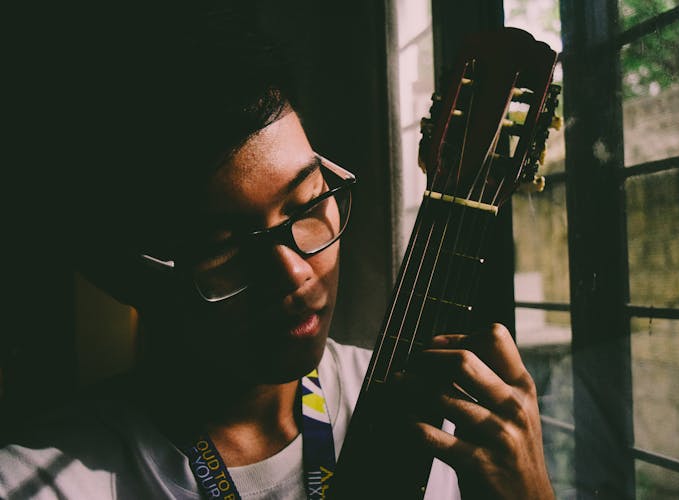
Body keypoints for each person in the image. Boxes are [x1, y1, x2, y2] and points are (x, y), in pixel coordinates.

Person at [0, 4, 553, 499]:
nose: (294, 273)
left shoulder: (443, 414)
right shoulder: (48, 482)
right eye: (225, 247)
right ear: (126, 275)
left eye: (307, 203)